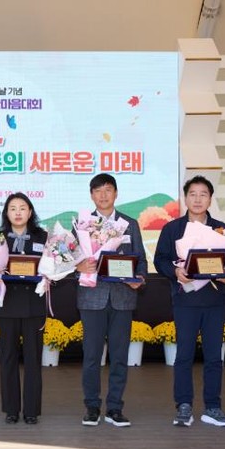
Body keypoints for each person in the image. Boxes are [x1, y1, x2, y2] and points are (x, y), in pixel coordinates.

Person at [153, 175, 225, 427]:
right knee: (184, 355)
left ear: (210, 199)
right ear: (185, 198)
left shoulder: (223, 229)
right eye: (193, 194)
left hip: (214, 300)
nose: (198, 199)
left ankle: (213, 407)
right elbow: (160, 259)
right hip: (185, 300)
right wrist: (175, 271)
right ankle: (184, 405)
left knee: (214, 357)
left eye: (203, 194)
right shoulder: (172, 229)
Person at [76, 173, 146, 428]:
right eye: (98, 190)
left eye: (108, 190)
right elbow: (68, 259)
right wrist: (79, 266)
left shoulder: (130, 224)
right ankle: (92, 407)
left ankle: (115, 408)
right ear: (91, 195)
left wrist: (139, 278)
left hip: (122, 298)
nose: (103, 195)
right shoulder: (82, 225)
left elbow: (141, 260)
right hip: (91, 298)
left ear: (116, 193)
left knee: (119, 356)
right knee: (92, 357)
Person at [0, 192, 48, 425]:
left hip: (34, 307)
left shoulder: (44, 237)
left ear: (30, 212)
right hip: (7, 306)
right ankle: (11, 409)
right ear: (6, 213)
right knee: (8, 359)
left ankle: (31, 410)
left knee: (33, 360)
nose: (18, 212)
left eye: (22, 208)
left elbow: (54, 266)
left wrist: (50, 275)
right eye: (13, 208)